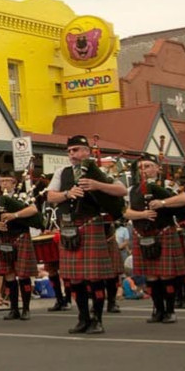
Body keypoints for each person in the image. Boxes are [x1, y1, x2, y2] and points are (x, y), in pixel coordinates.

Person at [46, 137, 127, 336]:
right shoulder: (61, 172)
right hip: (69, 227)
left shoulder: (100, 171)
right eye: (69, 151)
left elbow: (121, 190)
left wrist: (97, 185)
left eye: (76, 150)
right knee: (75, 279)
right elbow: (50, 196)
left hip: (92, 225)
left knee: (95, 278)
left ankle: (97, 320)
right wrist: (67, 194)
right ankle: (83, 318)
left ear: (87, 151)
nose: (72, 154)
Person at [124, 154, 185, 324]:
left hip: (163, 232)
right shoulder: (132, 189)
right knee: (151, 276)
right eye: (141, 167)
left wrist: (163, 203)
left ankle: (170, 310)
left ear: (157, 168)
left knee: (166, 275)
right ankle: (158, 309)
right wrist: (142, 214)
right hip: (142, 234)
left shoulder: (168, 185)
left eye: (148, 166)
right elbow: (125, 212)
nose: (144, 170)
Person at [0, 170, 40, 321]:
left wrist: (14, 215)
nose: (3, 184)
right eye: (1, 181)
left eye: (6, 181)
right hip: (3, 240)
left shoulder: (23, 197)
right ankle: (14, 309)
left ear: (14, 183)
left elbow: (34, 210)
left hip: (20, 237)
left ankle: (26, 308)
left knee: (23, 275)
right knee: (9, 275)